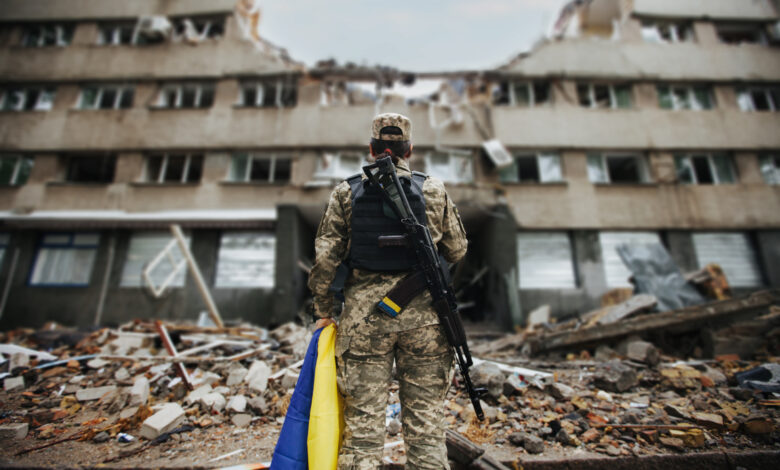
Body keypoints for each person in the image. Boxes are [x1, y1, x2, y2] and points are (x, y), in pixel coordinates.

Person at [308, 113, 468, 469]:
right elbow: (457, 251)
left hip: (365, 324)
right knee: (426, 428)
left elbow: (325, 260)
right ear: (409, 150)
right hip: (426, 323)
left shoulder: (345, 192)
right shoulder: (434, 190)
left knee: (363, 431)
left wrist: (323, 312)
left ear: (371, 148)